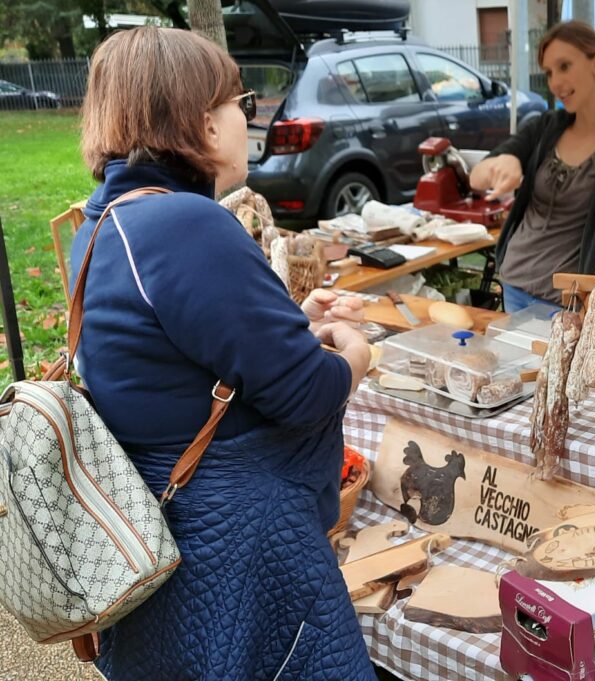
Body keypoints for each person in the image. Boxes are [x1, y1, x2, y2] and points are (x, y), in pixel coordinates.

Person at [72, 26, 374, 680]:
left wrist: (291, 324)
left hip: (163, 532)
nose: (248, 116)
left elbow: (176, 362)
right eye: (237, 101)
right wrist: (354, 354)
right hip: (237, 556)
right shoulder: (183, 223)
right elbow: (308, 392)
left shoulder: (104, 222)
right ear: (201, 122)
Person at [469, 20, 595, 312]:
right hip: (515, 282)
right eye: (549, 72)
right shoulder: (545, 127)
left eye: (564, 66)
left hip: (569, 300)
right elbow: (476, 178)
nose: (554, 82)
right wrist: (504, 161)